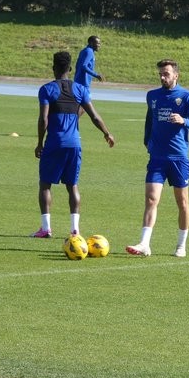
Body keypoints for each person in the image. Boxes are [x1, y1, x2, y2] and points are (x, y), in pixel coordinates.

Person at [31, 51, 114, 238]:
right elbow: (94, 115)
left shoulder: (46, 90)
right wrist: (107, 133)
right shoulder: (80, 90)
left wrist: (39, 143)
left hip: (54, 143)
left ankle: (46, 229)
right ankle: (75, 230)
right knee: (72, 186)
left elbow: (43, 120)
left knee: (45, 185)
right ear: (70, 69)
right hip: (74, 144)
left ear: (53, 68)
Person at [126, 59, 189, 258]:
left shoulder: (186, 97)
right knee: (151, 199)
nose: (162, 77)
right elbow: (150, 118)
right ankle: (144, 243)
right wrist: (146, 140)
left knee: (182, 202)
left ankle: (181, 245)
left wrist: (183, 120)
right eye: (160, 73)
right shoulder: (152, 95)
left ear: (176, 75)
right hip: (157, 157)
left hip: (178, 158)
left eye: (166, 73)